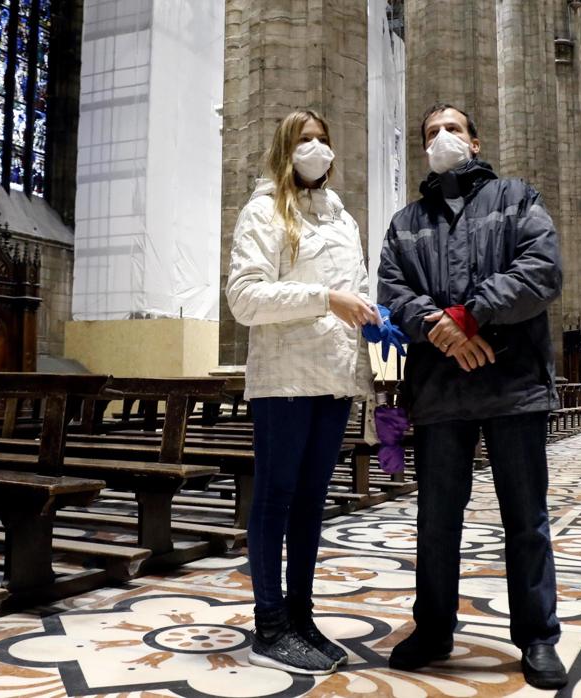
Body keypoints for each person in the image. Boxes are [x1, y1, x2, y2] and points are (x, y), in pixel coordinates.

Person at [377, 103, 568, 690]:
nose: (442, 138)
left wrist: (470, 315)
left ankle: (537, 636)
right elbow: (391, 291)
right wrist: (443, 328)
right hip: (440, 391)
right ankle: (434, 628)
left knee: (525, 519)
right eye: (432, 132)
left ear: (476, 142)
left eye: (453, 129)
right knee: (436, 519)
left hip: (512, 385)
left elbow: (540, 270)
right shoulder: (406, 222)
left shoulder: (516, 198)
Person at [225, 109, 378, 675]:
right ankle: (269, 624)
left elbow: (355, 290)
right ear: (284, 149)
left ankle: (301, 616)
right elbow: (244, 297)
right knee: (274, 498)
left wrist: (372, 317)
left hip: (334, 378)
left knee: (313, 502)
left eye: (322, 139)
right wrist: (325, 299)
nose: (315, 148)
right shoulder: (263, 210)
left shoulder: (343, 219)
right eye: (303, 140)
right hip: (284, 379)